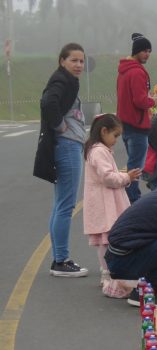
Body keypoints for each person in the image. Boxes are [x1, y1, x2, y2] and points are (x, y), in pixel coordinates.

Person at [34, 42, 89, 277]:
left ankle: (59, 258)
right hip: (66, 146)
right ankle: (61, 260)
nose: (78, 65)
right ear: (62, 61)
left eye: (81, 61)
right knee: (66, 206)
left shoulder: (66, 81)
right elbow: (48, 102)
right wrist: (59, 124)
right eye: (73, 60)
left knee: (60, 205)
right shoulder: (62, 80)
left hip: (66, 145)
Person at [83, 114, 141, 294]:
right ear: (103, 131)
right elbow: (107, 178)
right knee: (106, 239)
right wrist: (126, 177)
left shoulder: (97, 149)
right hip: (104, 203)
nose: (117, 140)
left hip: (102, 201)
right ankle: (108, 274)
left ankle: (107, 274)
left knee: (105, 239)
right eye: (115, 135)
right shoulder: (99, 151)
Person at [116, 33, 155, 203]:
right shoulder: (138, 72)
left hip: (125, 124)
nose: (147, 54)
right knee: (136, 167)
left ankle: (130, 197)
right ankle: (132, 199)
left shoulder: (123, 71)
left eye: (149, 51)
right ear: (137, 51)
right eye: (145, 51)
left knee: (132, 163)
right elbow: (140, 100)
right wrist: (153, 100)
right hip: (137, 126)